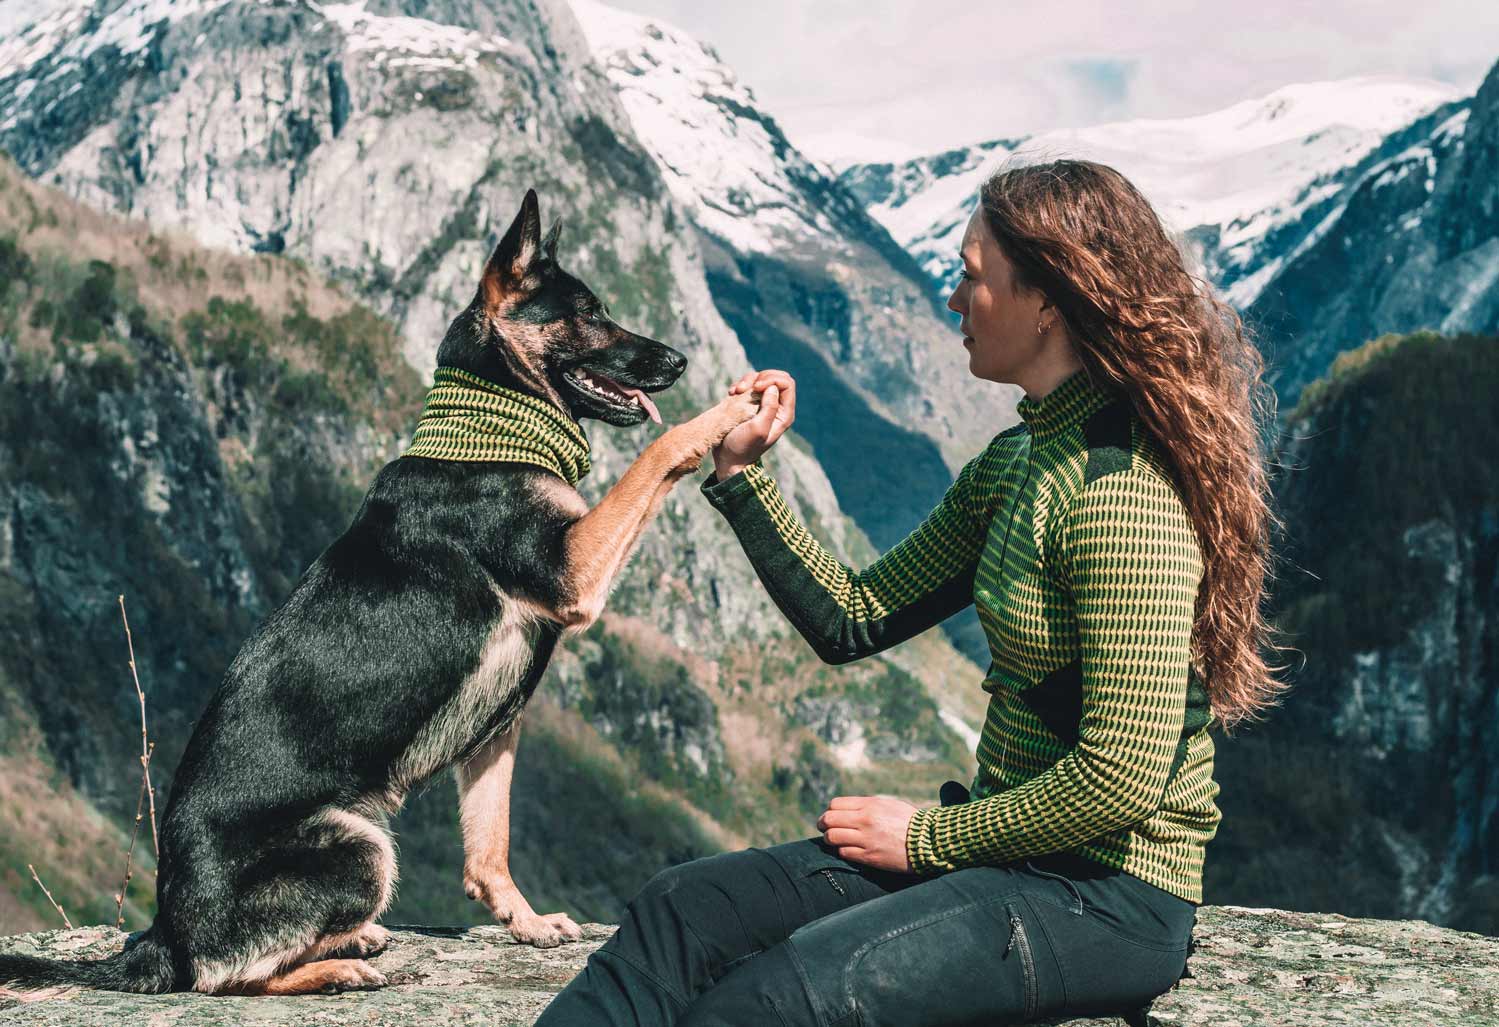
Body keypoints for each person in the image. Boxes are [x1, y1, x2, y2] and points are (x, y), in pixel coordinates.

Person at [534, 158, 1290, 1026]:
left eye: (972, 278)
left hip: (1106, 896)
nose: (951, 300)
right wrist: (742, 474)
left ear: (1048, 298)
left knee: (768, 1003)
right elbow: (852, 617)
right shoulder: (1018, 462)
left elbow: (1117, 779)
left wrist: (924, 840)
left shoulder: (1123, 497)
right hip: (1010, 858)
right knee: (681, 908)